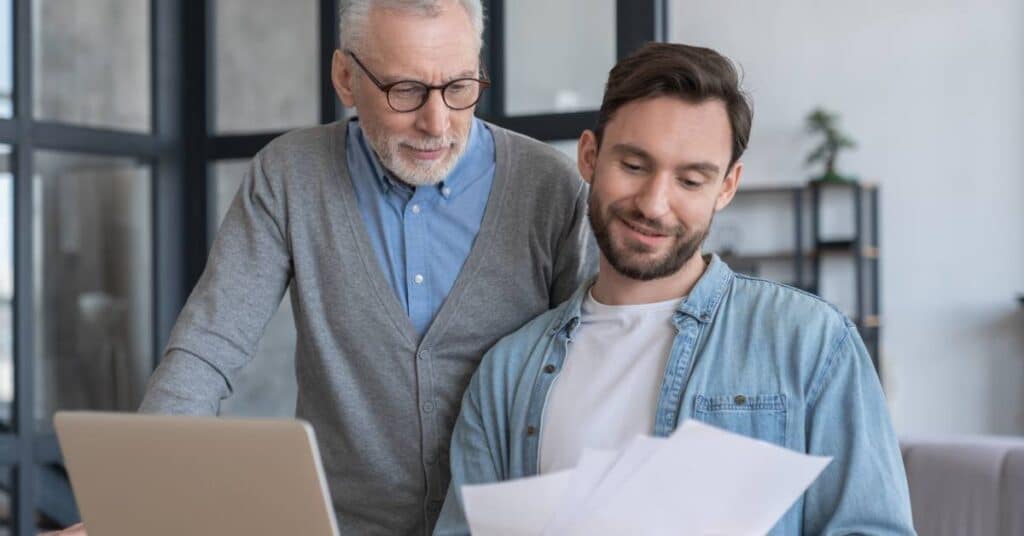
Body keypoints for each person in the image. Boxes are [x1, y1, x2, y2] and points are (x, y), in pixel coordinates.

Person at [49, 1, 594, 535]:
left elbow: (586, 367)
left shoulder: (549, 186)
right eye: (405, 90)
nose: (437, 122)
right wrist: (138, 501)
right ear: (345, 78)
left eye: (459, 87)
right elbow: (208, 350)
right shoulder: (289, 176)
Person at [434, 42, 915, 535]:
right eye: (635, 167)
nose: (655, 204)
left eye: (690, 180)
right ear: (589, 156)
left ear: (726, 187)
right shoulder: (508, 373)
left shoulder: (811, 343)